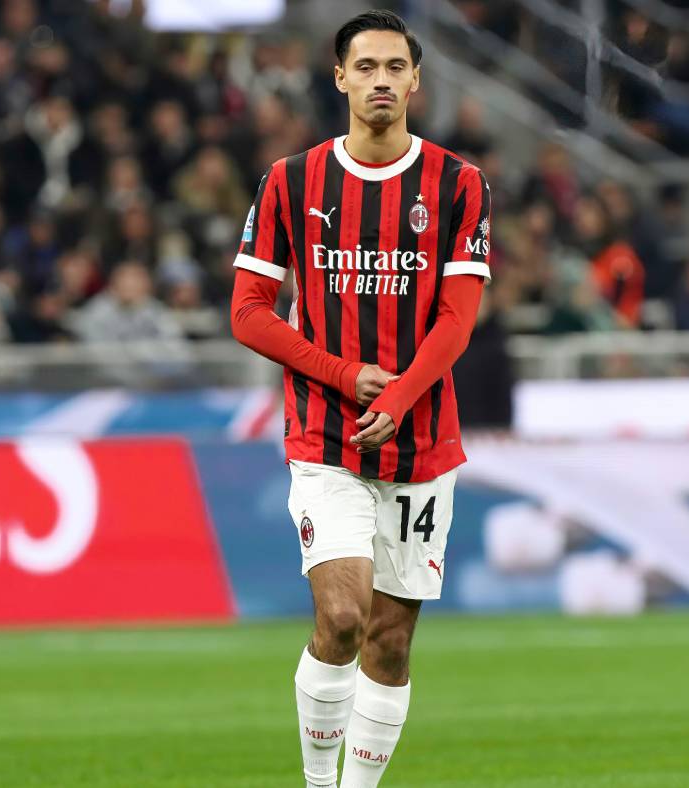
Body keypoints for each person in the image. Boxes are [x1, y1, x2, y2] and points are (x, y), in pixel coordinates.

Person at [229, 12, 490, 788]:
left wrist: (402, 397)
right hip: (326, 436)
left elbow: (458, 319)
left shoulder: (458, 183)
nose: (381, 80)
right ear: (340, 78)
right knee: (343, 617)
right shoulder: (290, 180)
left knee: (390, 643)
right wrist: (344, 377)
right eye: (366, 66)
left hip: (421, 443)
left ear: (416, 81)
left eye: (395, 67)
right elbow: (248, 312)